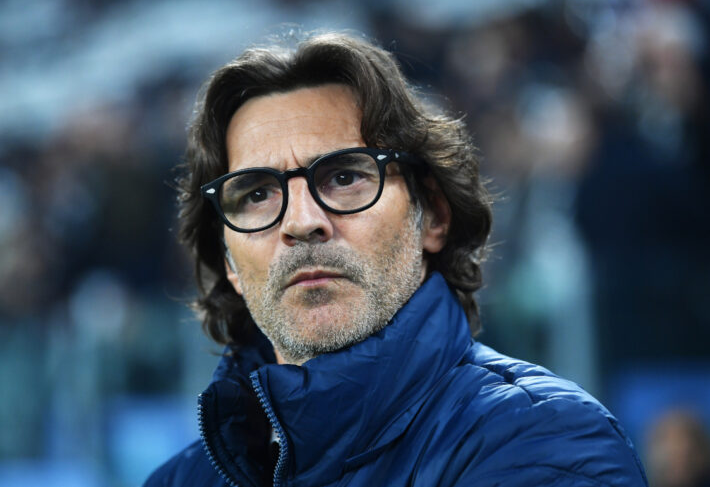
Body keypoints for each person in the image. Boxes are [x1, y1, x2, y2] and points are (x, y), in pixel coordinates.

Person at [144, 32, 647, 486]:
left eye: (344, 177)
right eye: (256, 194)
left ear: (433, 216)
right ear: (228, 259)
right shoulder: (178, 480)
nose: (300, 221)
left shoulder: (545, 442)